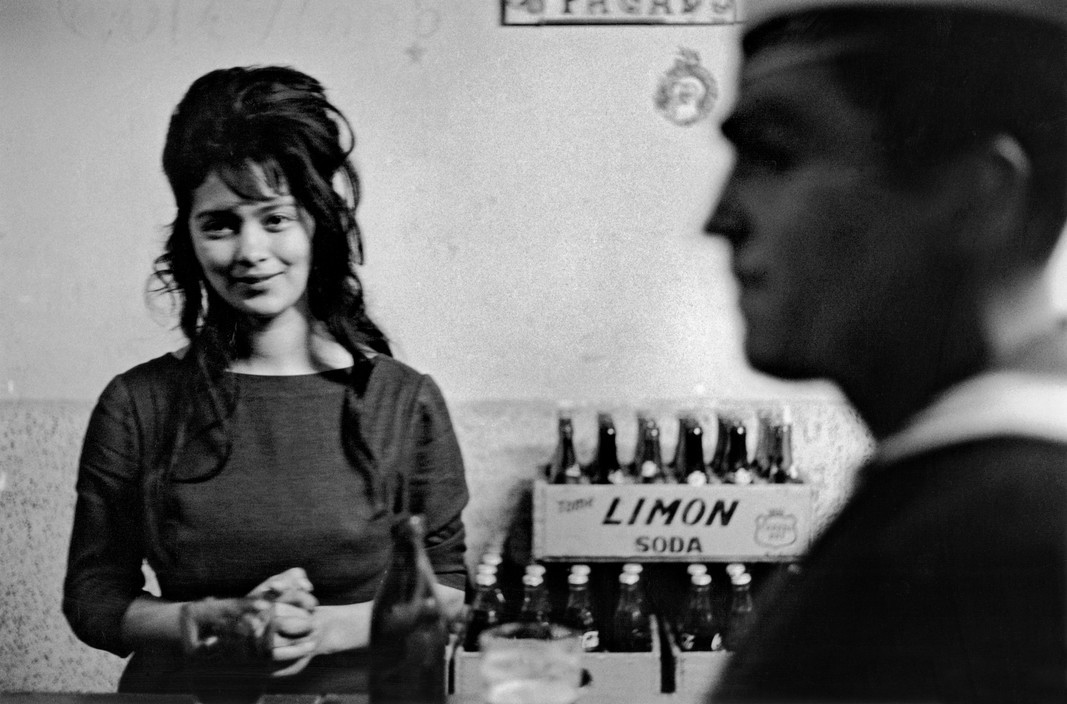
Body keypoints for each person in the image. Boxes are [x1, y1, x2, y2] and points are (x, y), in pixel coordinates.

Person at [63, 66, 469, 697]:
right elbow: (93, 596)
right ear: (189, 237)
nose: (250, 251)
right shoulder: (136, 403)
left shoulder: (404, 400)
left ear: (318, 223)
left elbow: (446, 588)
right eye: (220, 224)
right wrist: (207, 622)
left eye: (275, 219)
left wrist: (314, 630)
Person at [704, 0, 1067, 701]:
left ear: (974, 195)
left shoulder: (987, 544)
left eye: (773, 155)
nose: (719, 218)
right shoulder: (976, 496)